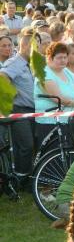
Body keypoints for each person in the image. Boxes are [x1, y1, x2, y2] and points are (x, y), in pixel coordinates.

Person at [0, 27, 38, 182]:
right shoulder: (15, 62)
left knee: (31, 145)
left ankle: (27, 177)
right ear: (27, 46)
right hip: (19, 109)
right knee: (25, 145)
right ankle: (20, 179)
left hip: (32, 110)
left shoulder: (30, 63)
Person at [33, 42, 74, 145]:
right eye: (59, 57)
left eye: (65, 57)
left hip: (68, 121)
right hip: (50, 123)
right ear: (49, 58)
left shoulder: (66, 71)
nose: (63, 60)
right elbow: (58, 98)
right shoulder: (44, 74)